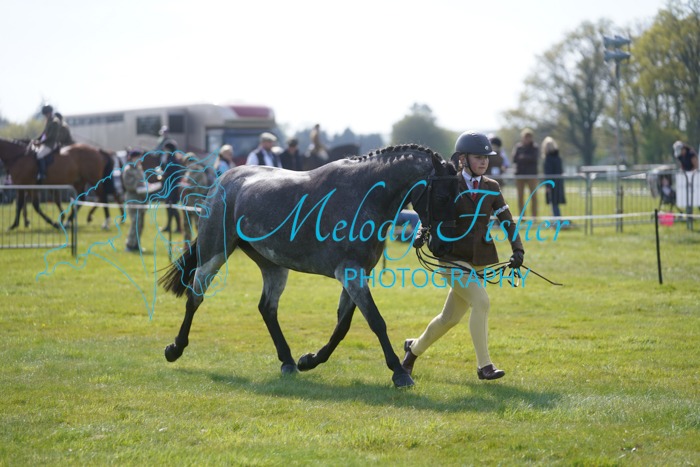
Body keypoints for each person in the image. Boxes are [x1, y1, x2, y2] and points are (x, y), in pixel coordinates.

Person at [402, 131, 525, 381]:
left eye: (486, 157)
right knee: (481, 302)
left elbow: (507, 220)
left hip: (478, 260)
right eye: (478, 157)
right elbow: (431, 214)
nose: (484, 161)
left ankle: (412, 351)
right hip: (451, 258)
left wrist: (518, 249)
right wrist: (422, 233)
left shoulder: (492, 187)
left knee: (449, 319)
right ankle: (484, 366)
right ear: (462, 159)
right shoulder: (449, 184)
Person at [181, 153, 212, 242]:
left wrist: (190, 187)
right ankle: (187, 243)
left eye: (191, 161)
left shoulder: (200, 173)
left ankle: (200, 243)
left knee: (198, 224)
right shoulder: (187, 173)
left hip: (196, 202)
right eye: (187, 162)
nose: (189, 164)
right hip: (186, 201)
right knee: (186, 224)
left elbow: (203, 188)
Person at [122, 149, 148, 253]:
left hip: (142, 199)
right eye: (138, 157)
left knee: (141, 223)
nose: (140, 160)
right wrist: (140, 185)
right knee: (135, 221)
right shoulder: (128, 170)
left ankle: (136, 244)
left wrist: (147, 186)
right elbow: (129, 185)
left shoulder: (139, 168)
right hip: (133, 199)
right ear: (132, 158)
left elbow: (143, 182)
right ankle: (129, 245)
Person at [512, 128, 539, 218]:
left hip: (531, 175)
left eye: (529, 137)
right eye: (525, 137)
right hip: (520, 175)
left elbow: (534, 158)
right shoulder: (518, 147)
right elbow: (514, 159)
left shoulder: (534, 147)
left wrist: (523, 157)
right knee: (520, 197)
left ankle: (534, 217)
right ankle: (522, 216)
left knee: (533, 196)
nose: (527, 139)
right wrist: (526, 158)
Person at [33, 104, 62, 183]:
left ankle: (42, 174)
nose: (45, 116)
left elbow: (51, 136)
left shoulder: (55, 122)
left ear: (50, 112)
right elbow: (44, 133)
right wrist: (36, 139)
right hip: (46, 143)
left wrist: (40, 142)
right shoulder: (48, 120)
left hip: (52, 144)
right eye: (45, 114)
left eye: (46, 114)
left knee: (39, 155)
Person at [159, 142, 184, 233]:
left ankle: (178, 227)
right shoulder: (171, 158)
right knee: (169, 207)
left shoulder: (172, 159)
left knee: (172, 207)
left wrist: (163, 174)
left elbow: (171, 173)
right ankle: (169, 226)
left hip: (172, 187)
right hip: (171, 186)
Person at [542, 136, 566, 218]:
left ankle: (557, 219)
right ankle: (556, 218)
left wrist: (548, 186)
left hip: (552, 183)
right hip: (558, 182)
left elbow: (548, 173)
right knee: (555, 203)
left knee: (554, 203)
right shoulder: (558, 157)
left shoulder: (548, 159)